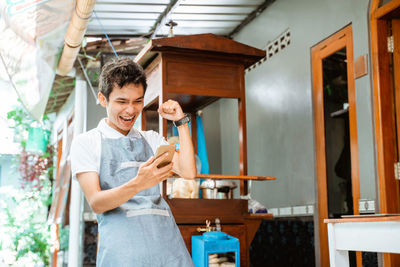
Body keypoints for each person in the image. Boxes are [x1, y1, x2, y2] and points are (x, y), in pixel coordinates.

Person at [70, 57, 196, 267]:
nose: (130, 110)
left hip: (169, 253)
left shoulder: (151, 139)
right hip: (124, 257)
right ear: (103, 99)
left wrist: (181, 122)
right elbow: (97, 202)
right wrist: (139, 183)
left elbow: (189, 171)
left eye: (138, 101)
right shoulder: (87, 143)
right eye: (122, 101)